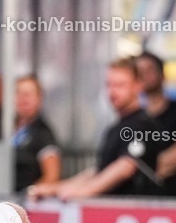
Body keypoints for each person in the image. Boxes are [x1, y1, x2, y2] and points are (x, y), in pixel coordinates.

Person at [30, 59, 162, 200]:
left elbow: (125, 167)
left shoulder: (143, 125)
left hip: (135, 214)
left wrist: (83, 193)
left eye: (120, 85)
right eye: (109, 85)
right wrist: (57, 188)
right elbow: (100, 171)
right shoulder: (114, 129)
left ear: (138, 86)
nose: (113, 91)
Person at [135, 51, 176, 197]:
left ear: (162, 74)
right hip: (146, 202)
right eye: (139, 71)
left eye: (149, 69)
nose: (144, 75)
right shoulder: (135, 120)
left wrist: (143, 170)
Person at [13, 75, 61, 192]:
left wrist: (28, 194)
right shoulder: (4, 128)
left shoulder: (43, 133)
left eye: (28, 95)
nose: (23, 99)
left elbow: (52, 176)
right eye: (19, 94)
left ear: (39, 98)